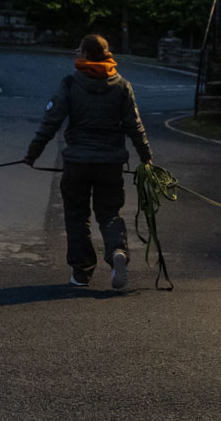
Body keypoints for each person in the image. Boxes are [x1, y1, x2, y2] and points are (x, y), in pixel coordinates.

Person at [24, 34, 153, 290]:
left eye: (79, 50)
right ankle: (117, 250)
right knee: (109, 213)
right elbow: (134, 125)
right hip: (110, 164)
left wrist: (32, 154)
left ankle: (81, 273)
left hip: (77, 164)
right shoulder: (121, 86)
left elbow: (51, 121)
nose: (76, 52)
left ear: (88, 55)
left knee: (76, 215)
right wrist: (146, 156)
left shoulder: (71, 84)